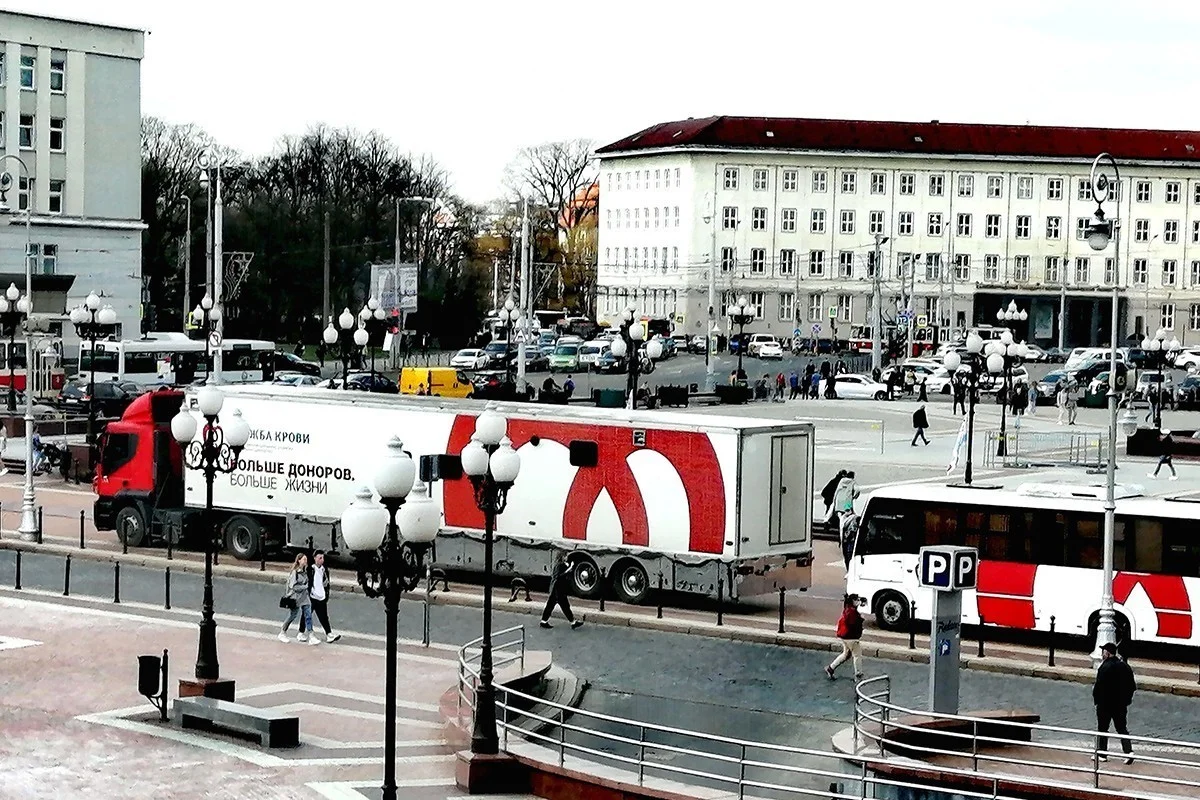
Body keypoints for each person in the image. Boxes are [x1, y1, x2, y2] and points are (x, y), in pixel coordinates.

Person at [1093, 642, 1136, 763]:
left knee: (1102, 729)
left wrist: (1097, 700)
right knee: (1122, 728)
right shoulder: (1125, 667)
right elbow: (1132, 686)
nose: (1102, 654)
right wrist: (1126, 701)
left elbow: (1099, 686)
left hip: (1105, 705)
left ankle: (1102, 753)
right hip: (1120, 705)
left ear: (1107, 653)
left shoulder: (1104, 667)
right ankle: (1128, 751)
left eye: (1103, 652)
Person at [824, 594, 865, 681]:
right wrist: (861, 619)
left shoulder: (847, 608)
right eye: (856, 600)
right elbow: (853, 623)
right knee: (857, 655)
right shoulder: (851, 612)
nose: (858, 601)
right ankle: (859, 675)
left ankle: (831, 668)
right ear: (852, 601)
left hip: (845, 637)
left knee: (846, 655)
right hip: (852, 638)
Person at [279, 553, 317, 644]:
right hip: (296, 597)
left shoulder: (305, 571)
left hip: (304, 597)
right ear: (299, 560)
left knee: (308, 615)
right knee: (293, 615)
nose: (305, 561)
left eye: (306, 559)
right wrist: (305, 587)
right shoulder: (295, 572)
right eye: (304, 559)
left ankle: (311, 635)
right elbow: (293, 587)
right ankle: (282, 632)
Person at [540, 554, 583, 629]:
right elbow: (560, 575)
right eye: (565, 556)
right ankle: (573, 622)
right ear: (562, 557)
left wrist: (569, 567)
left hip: (557, 589)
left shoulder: (560, 564)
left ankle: (544, 621)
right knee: (564, 606)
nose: (567, 557)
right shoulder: (560, 565)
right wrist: (570, 567)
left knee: (551, 606)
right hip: (558, 589)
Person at [308, 551, 341, 643]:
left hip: (321, 596)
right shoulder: (310, 569)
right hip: (312, 596)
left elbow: (327, 583)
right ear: (314, 558)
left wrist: (326, 595)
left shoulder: (324, 570)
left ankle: (329, 634)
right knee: (307, 615)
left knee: (324, 617)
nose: (322, 560)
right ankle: (301, 632)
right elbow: (308, 582)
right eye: (320, 558)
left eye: (323, 558)